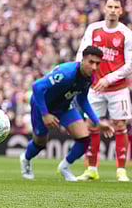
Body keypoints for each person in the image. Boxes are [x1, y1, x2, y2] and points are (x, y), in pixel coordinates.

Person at [20, 46, 114, 181]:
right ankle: (25, 159)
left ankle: (64, 167)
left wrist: (97, 122)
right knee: (40, 143)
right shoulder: (66, 73)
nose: (94, 67)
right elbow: (37, 87)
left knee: (84, 138)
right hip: (42, 106)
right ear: (83, 60)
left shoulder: (90, 78)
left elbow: (82, 100)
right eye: (91, 62)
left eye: (97, 64)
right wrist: (45, 114)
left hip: (64, 107)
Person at [75, 0, 132, 182]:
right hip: (94, 87)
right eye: (110, 6)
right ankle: (92, 168)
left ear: (121, 11)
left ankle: (121, 170)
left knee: (120, 126)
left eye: (117, 7)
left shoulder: (126, 34)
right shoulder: (93, 29)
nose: (113, 10)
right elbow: (82, 53)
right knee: (91, 126)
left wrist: (108, 79)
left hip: (118, 88)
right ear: (104, 8)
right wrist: (78, 75)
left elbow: (130, 65)